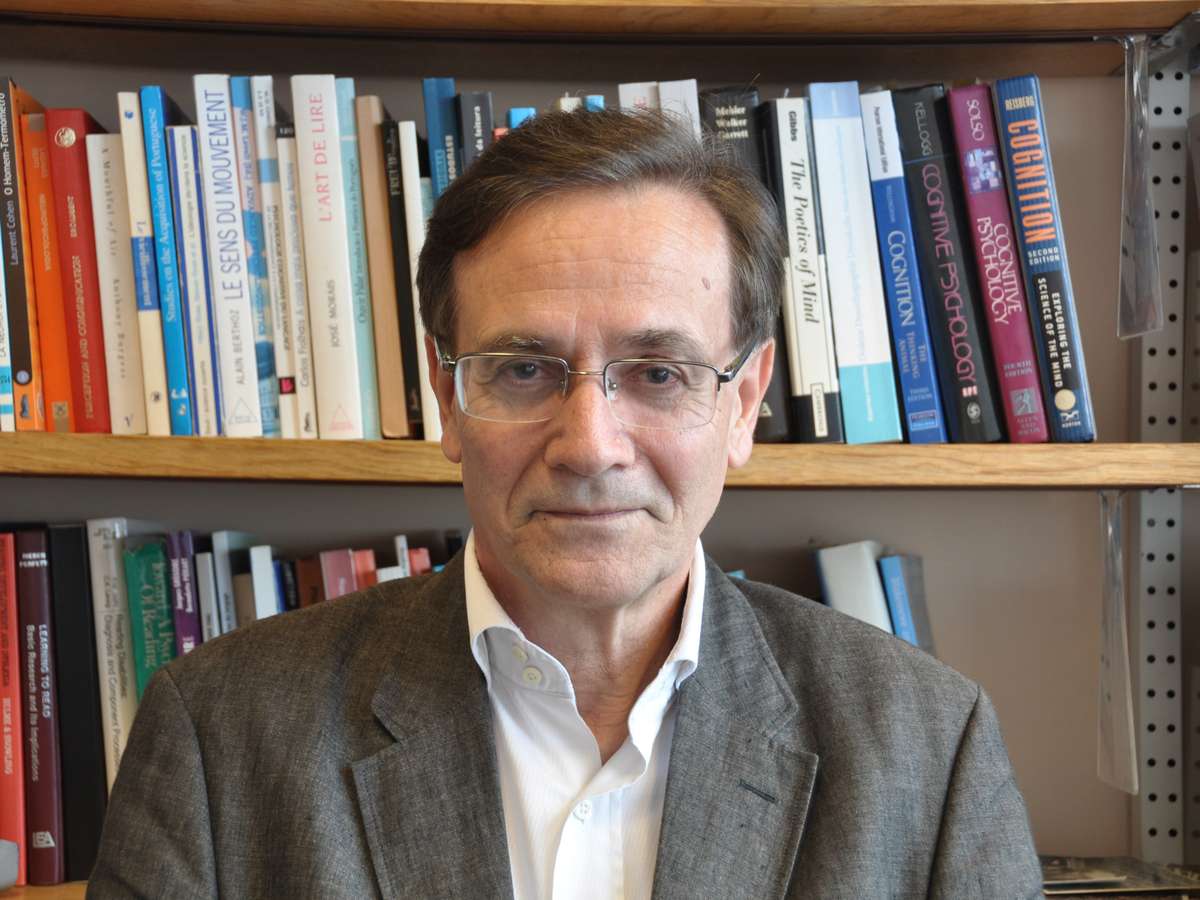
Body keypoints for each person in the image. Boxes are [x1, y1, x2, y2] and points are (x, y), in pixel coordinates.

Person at [88, 108, 1042, 899]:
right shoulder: (220, 736)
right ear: (447, 398)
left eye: (659, 373)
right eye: (523, 369)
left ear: (744, 404)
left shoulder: (928, 745)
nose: (589, 445)